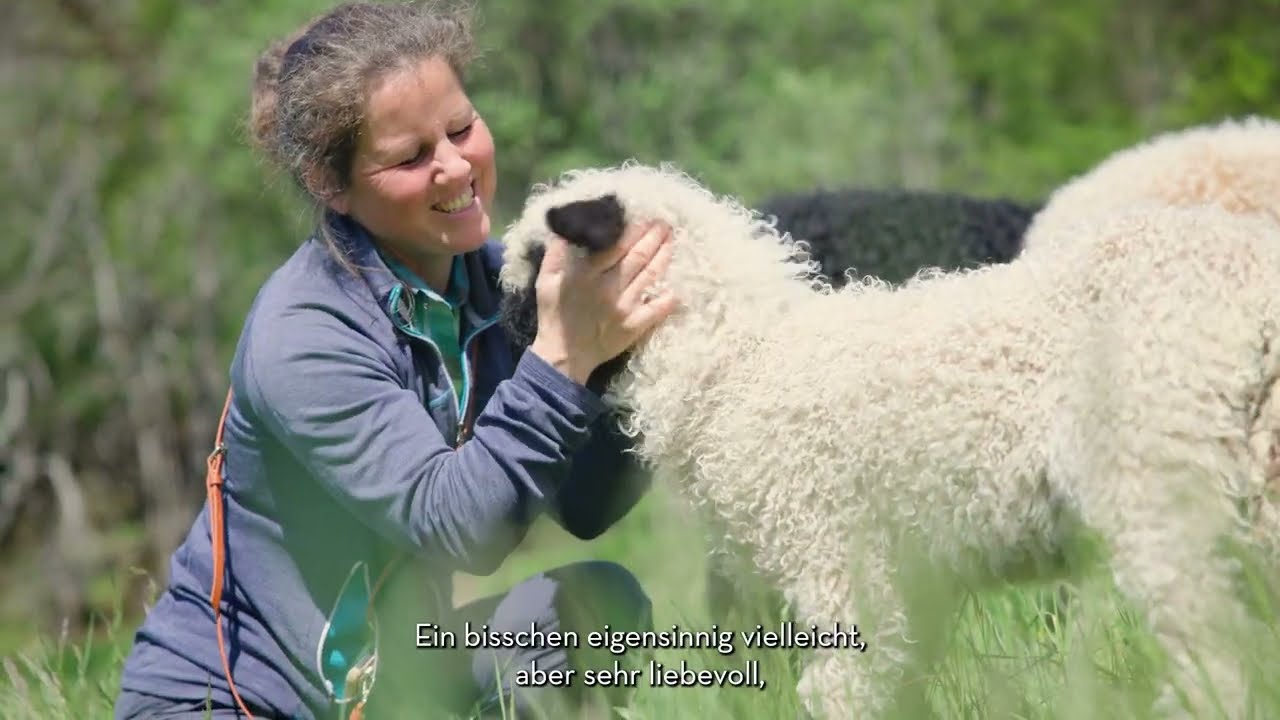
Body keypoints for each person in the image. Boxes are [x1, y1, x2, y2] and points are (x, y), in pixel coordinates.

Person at [113, 2, 679, 718]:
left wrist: (628, 357)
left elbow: (590, 504)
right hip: (231, 701)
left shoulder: (494, 283)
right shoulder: (305, 331)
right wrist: (565, 356)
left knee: (594, 606)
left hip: (390, 682)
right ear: (330, 184)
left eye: (462, 128)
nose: (454, 167)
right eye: (410, 157)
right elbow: (463, 526)